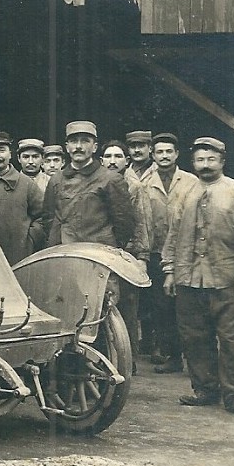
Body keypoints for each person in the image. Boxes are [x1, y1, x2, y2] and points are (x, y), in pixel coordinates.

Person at [162, 137, 234, 419]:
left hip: (227, 279)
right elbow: (173, 233)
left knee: (232, 339)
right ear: (193, 163)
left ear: (222, 162)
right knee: (195, 336)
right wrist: (169, 271)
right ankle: (205, 389)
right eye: (200, 160)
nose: (205, 165)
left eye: (211, 159)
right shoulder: (184, 192)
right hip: (189, 278)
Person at [142, 133, 202, 374]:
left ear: (177, 154)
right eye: (159, 152)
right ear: (153, 155)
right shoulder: (145, 183)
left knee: (189, 307)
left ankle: (196, 360)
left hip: (186, 253)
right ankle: (172, 355)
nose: (164, 156)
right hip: (157, 251)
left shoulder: (191, 181)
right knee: (162, 307)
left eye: (169, 151)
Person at [100, 140, 154, 362]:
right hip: (104, 251)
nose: (113, 161)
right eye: (108, 156)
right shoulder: (98, 183)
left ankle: (127, 361)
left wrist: (142, 257)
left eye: (118, 156)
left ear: (127, 160)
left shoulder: (134, 186)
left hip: (128, 254)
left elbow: (142, 222)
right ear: (101, 160)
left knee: (127, 308)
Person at [42, 121, 135, 250]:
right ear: (67, 147)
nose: (78, 146)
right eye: (74, 141)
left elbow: (124, 223)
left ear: (95, 147)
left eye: (85, 141)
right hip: (63, 252)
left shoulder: (111, 179)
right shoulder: (56, 179)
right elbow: (48, 219)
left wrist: (110, 248)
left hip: (98, 254)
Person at [0, 131, 44, 263]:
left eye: (2, 150)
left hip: (20, 256)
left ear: (10, 154)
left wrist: (29, 240)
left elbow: (44, 217)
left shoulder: (26, 184)